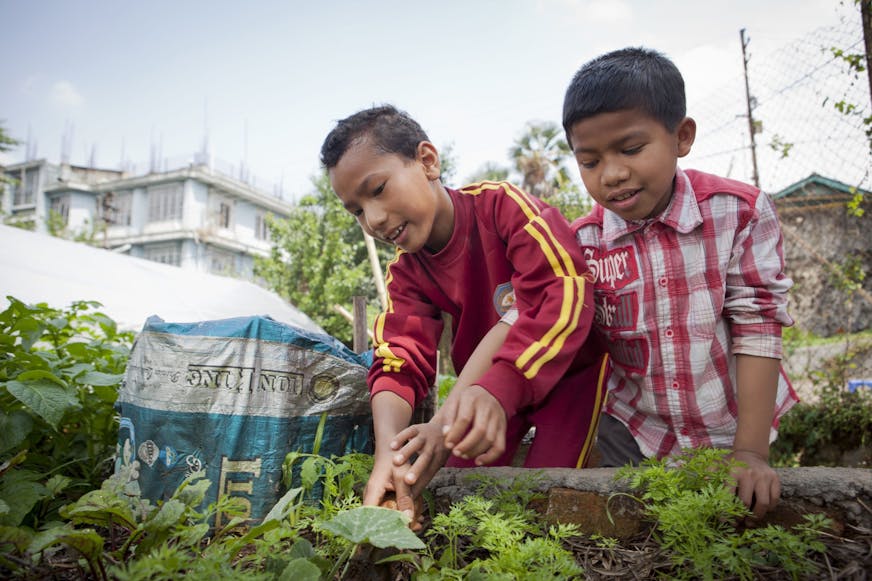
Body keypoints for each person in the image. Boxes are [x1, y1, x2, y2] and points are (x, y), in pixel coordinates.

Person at [320, 105, 606, 521]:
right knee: (456, 495)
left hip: (566, 376)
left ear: (428, 161)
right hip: (481, 391)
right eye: (357, 211)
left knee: (550, 497)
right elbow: (398, 358)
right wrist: (388, 455)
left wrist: (489, 394)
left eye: (378, 189)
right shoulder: (407, 271)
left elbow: (563, 293)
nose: (374, 219)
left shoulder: (503, 208)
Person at [563, 47, 798, 519]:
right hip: (633, 427)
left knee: (736, 519)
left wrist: (750, 452)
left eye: (631, 149)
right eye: (589, 162)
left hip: (731, 420)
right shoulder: (582, 243)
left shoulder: (738, 212)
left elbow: (757, 325)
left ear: (682, 136)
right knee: (639, 526)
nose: (612, 174)